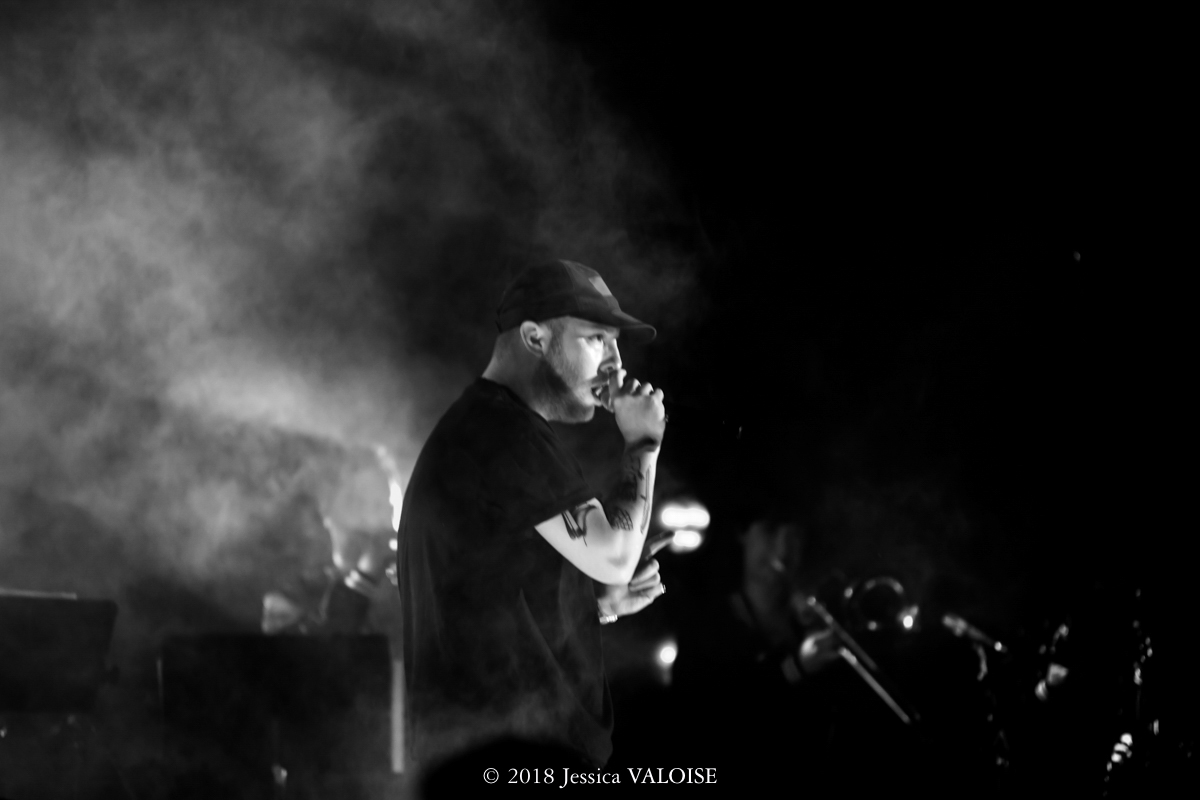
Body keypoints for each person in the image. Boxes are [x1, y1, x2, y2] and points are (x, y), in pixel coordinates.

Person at [397, 259, 669, 780]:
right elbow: (614, 557)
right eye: (597, 340)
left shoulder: (484, 427)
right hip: (512, 755)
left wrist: (594, 605)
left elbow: (492, 592)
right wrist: (644, 443)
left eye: (615, 344)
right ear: (534, 337)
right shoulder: (504, 435)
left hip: (488, 754)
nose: (616, 365)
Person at [670, 514, 841, 782]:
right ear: (743, 533)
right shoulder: (706, 626)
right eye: (770, 530)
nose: (783, 550)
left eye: (794, 535)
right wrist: (793, 668)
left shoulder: (812, 622)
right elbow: (702, 720)